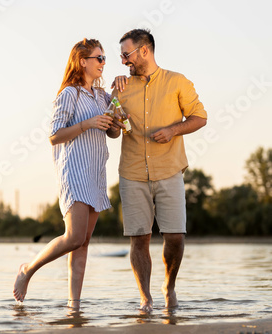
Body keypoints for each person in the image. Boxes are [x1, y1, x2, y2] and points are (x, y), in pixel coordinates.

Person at [13, 38, 120, 309]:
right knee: (73, 237)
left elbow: (115, 132)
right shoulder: (69, 94)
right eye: (99, 58)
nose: (103, 63)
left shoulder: (101, 96)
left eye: (104, 58)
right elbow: (54, 136)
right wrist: (88, 123)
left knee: (82, 243)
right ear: (82, 61)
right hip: (74, 171)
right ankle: (28, 269)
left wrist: (117, 100)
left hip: (96, 173)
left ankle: (74, 305)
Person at [108, 29, 207, 312]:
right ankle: (146, 297)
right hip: (132, 172)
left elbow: (200, 117)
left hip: (170, 169)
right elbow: (115, 133)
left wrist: (173, 130)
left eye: (126, 54)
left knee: (175, 236)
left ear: (144, 50)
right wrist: (115, 126)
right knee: (139, 238)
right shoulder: (120, 88)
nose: (123, 60)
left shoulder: (177, 82)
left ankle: (169, 286)